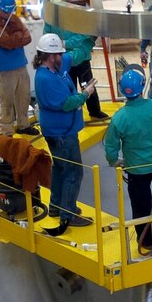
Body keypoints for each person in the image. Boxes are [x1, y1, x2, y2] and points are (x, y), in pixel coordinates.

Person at [104, 67, 152, 251]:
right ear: (142, 87)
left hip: (137, 170)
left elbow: (110, 147)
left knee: (141, 206)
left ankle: (146, 242)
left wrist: (114, 161)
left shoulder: (119, 118)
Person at [33, 32, 97, 234]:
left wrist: (88, 38)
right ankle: (67, 214)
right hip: (61, 133)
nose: (63, 56)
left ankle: (56, 206)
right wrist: (86, 94)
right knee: (73, 172)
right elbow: (67, 104)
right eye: (60, 53)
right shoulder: (46, 79)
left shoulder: (57, 68)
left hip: (62, 130)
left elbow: (77, 54)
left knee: (60, 168)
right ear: (51, 57)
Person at [0, 0, 38, 137]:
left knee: (24, 97)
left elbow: (27, 37)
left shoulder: (14, 19)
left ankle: (23, 124)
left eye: (11, 11)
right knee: (7, 102)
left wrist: (15, 37)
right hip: (4, 70)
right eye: (6, 11)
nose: (9, 14)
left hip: (20, 65)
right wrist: (18, 36)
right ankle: (7, 131)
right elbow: (7, 43)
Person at [42, 13, 109, 121]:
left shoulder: (78, 15)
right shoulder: (51, 18)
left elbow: (84, 35)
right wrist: (63, 45)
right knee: (69, 88)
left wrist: (64, 43)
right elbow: (46, 36)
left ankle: (94, 111)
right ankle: (73, 115)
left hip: (79, 59)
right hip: (64, 59)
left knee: (87, 85)